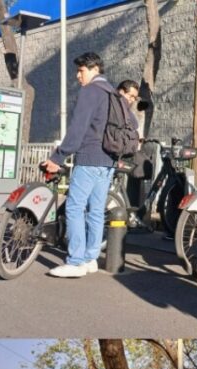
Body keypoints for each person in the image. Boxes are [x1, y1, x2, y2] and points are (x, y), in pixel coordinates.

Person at [43, 52, 122, 278]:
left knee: (75, 207)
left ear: (95, 68)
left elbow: (78, 129)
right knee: (96, 211)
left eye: (82, 70)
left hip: (89, 157)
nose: (78, 75)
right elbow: (133, 123)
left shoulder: (91, 91)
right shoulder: (113, 94)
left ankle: (76, 261)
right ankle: (90, 259)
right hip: (108, 160)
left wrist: (58, 157)